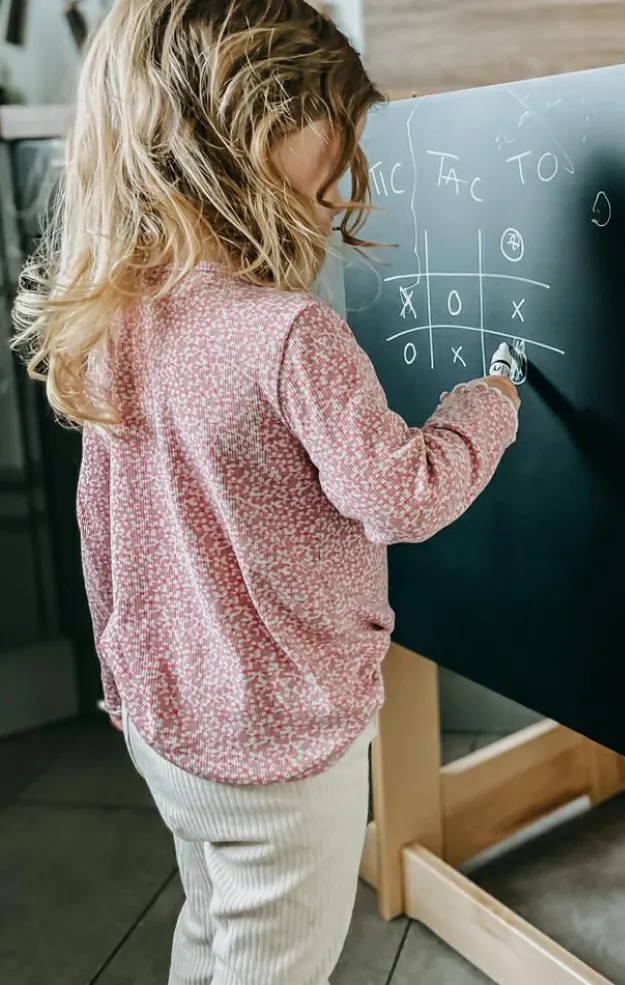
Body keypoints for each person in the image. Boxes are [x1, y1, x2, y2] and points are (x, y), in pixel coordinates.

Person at [11, 2, 519, 983]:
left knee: (213, 923)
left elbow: (98, 527)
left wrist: (122, 674)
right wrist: (484, 406)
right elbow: (401, 496)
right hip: (283, 736)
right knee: (274, 958)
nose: (343, 188)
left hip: (169, 722)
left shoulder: (117, 316)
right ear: (255, 133)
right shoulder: (288, 334)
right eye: (336, 146)